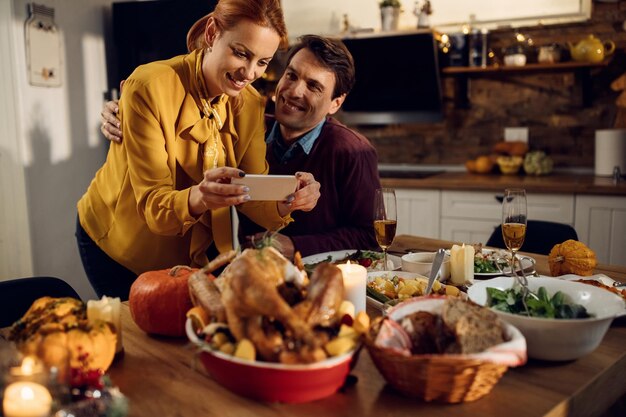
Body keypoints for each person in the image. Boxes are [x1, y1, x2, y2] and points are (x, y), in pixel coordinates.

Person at [78, 0, 320, 300]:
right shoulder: (149, 87)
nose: (249, 72)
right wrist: (202, 196)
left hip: (191, 256)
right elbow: (154, 205)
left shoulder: (251, 104)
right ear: (211, 33)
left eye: (263, 62)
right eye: (241, 53)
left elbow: (251, 189)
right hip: (119, 246)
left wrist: (289, 198)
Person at [100, 34, 380, 259]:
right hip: (251, 268)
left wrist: (296, 245)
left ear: (336, 103)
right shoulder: (251, 122)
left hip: (323, 273)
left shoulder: (353, 152)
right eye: (292, 75)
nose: (294, 91)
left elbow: (370, 237)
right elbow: (176, 111)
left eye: (313, 86)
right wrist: (120, 110)